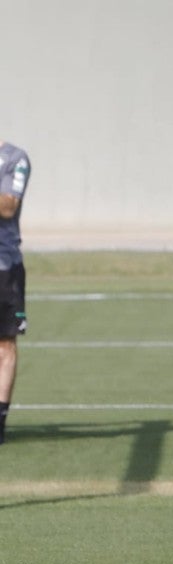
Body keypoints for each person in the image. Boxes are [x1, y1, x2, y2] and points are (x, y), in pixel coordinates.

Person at [0, 141, 30, 445]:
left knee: (4, 345)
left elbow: (8, 206)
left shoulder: (14, 158)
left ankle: (0, 422)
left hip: (4, 267)